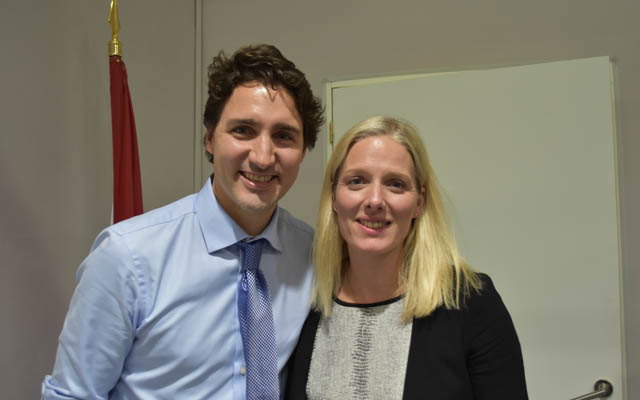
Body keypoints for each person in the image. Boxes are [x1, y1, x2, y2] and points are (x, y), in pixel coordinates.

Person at [42, 44, 323, 399]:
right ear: (209, 138)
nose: (263, 157)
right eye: (243, 131)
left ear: (303, 150)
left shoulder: (312, 256)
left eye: (284, 136)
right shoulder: (127, 257)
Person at [285, 116, 528, 399]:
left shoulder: (469, 301)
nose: (375, 200)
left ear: (419, 202)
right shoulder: (307, 301)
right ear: (334, 197)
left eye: (395, 184)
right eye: (356, 181)